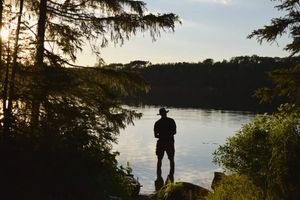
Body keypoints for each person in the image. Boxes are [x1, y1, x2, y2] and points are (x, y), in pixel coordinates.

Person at [154, 108, 176, 187]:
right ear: (166, 113)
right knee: (171, 159)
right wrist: (167, 135)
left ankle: (158, 178)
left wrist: (162, 135)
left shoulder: (157, 123)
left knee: (159, 160)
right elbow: (174, 132)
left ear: (160, 114)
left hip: (161, 142)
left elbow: (156, 135)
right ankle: (171, 177)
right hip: (170, 142)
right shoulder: (171, 121)